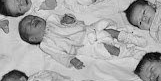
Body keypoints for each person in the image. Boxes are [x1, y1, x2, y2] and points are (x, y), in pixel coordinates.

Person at [18, 13, 147, 69]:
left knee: (110, 31)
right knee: (110, 50)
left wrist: (69, 19)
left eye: (33, 17)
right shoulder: (45, 44)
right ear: (33, 38)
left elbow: (69, 19)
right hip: (84, 47)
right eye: (29, 24)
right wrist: (71, 60)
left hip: (88, 30)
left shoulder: (52, 19)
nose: (33, 20)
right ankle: (131, 52)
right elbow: (58, 55)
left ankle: (131, 38)